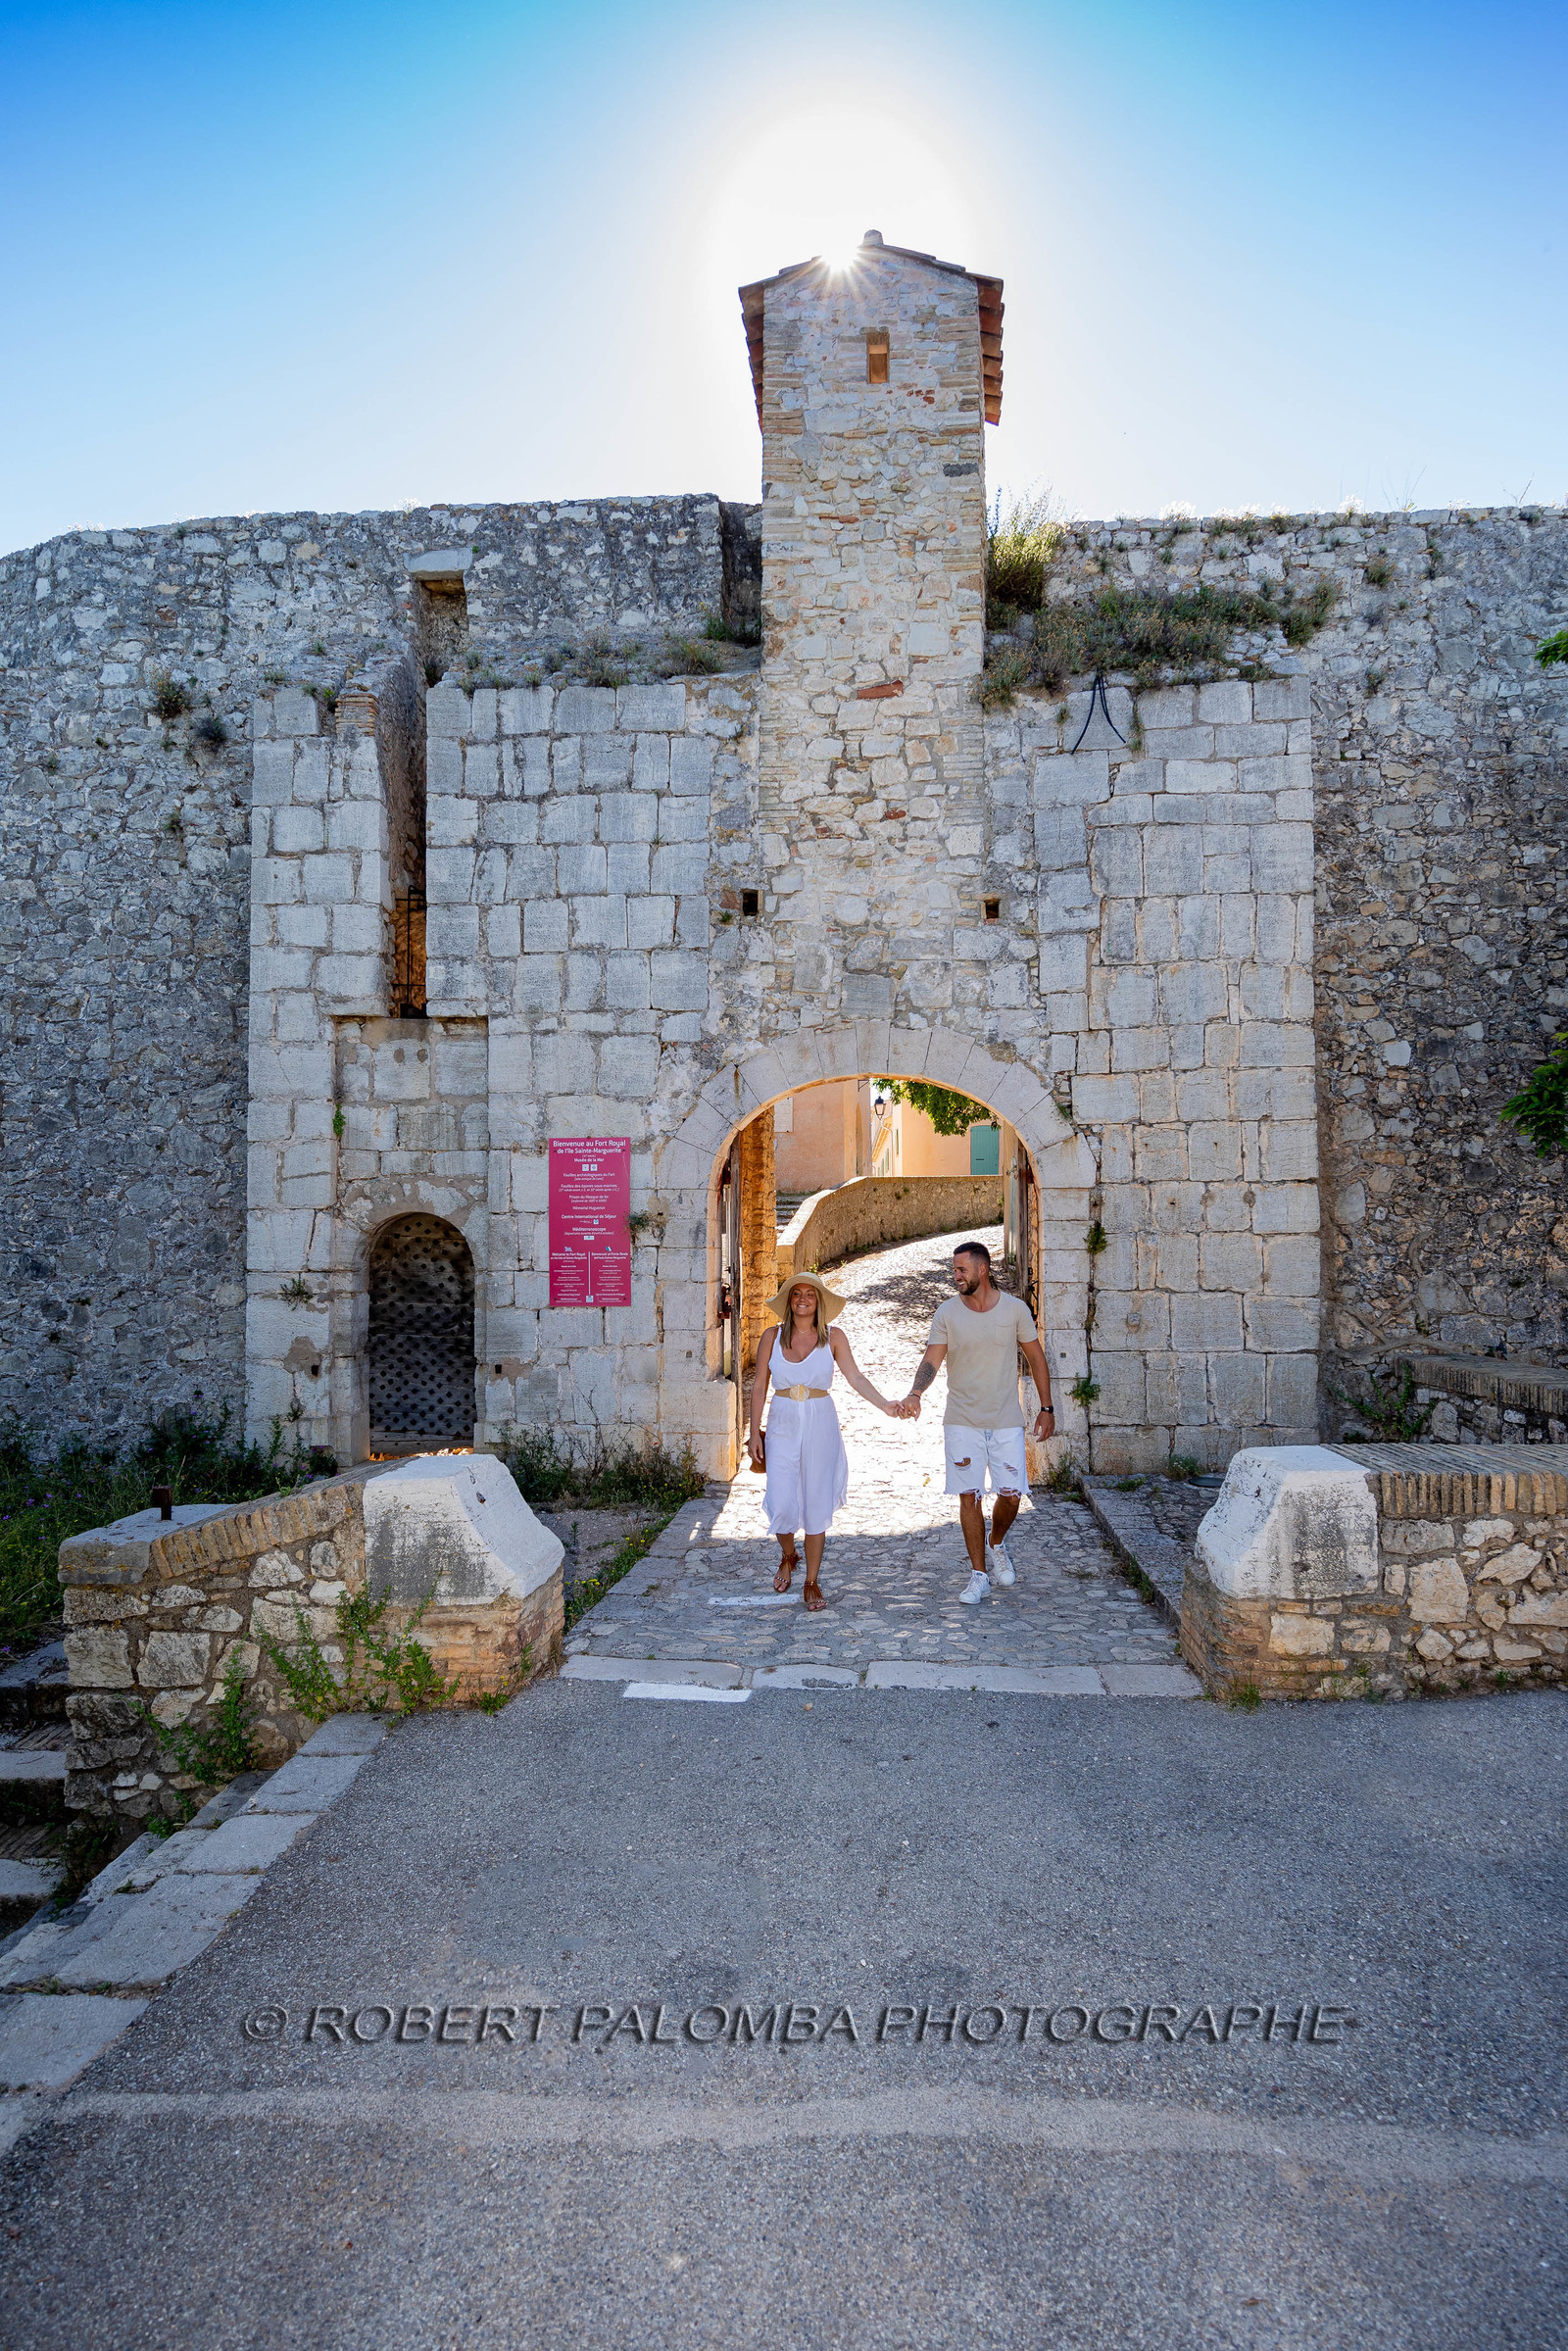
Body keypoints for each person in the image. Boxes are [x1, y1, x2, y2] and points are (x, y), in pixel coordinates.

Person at [901, 1240, 1055, 1604]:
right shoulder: (947, 1314)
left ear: (982, 1270)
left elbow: (1036, 1358)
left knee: (1011, 1495)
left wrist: (1046, 1409)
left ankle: (996, 1542)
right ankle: (978, 1574)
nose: (955, 1276)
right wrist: (915, 1393)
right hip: (961, 1419)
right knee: (968, 1496)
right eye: (954, 1270)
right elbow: (932, 1360)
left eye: (961, 1270)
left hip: (1005, 1420)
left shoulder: (1016, 1310)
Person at [748, 1272, 904, 1611]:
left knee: (816, 1501)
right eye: (796, 1294)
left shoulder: (834, 1337)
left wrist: (886, 1405)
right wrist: (752, 1433)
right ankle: (789, 1554)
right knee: (782, 1499)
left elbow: (856, 1377)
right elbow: (759, 1386)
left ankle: (812, 1580)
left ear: (819, 1302)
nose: (803, 1299)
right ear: (789, 1302)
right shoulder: (771, 1337)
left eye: (810, 1294)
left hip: (820, 1423)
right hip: (782, 1422)